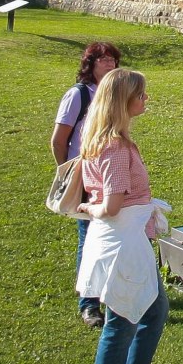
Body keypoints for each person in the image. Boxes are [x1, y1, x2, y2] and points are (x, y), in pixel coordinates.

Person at [75, 68, 167, 364]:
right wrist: (87, 208)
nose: (145, 100)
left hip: (130, 239)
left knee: (153, 311)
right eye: (141, 95)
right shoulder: (113, 146)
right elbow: (111, 205)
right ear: (122, 101)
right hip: (121, 244)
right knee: (122, 322)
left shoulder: (114, 141)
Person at [53, 41, 120, 328]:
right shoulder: (78, 95)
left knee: (110, 232)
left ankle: (110, 291)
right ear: (90, 64)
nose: (109, 65)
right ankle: (89, 304)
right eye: (103, 60)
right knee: (88, 236)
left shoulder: (115, 94)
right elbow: (59, 138)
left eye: (112, 60)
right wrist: (68, 170)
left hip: (110, 173)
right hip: (85, 174)